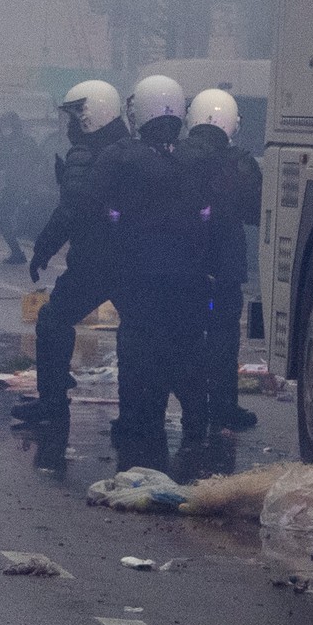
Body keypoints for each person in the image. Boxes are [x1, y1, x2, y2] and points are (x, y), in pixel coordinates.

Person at [94, 77, 211, 472]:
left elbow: (96, 204)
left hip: (141, 275)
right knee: (189, 348)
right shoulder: (199, 157)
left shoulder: (121, 157)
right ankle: (197, 418)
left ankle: (139, 420)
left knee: (138, 347)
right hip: (189, 277)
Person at [23, 79, 127, 471]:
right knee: (139, 334)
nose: (68, 126)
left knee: (53, 320)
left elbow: (71, 211)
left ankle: (52, 403)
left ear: (89, 115)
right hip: (132, 261)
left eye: (73, 116)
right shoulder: (129, 150)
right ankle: (141, 415)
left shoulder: (85, 157)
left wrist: (42, 249)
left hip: (94, 261)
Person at [179, 88, 263, 450]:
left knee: (186, 336)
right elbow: (256, 212)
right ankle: (224, 407)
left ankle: (192, 408)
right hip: (225, 264)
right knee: (224, 337)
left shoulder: (174, 155)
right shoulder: (240, 162)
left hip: (184, 263)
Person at [0, 111, 42, 266]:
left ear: (15, 126)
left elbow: (39, 160)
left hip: (24, 186)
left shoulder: (27, 142)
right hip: (12, 186)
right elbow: (0, 163)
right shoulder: (3, 143)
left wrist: (33, 177)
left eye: (8, 126)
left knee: (5, 217)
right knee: (4, 217)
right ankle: (17, 251)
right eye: (3, 126)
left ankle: (18, 253)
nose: (6, 129)